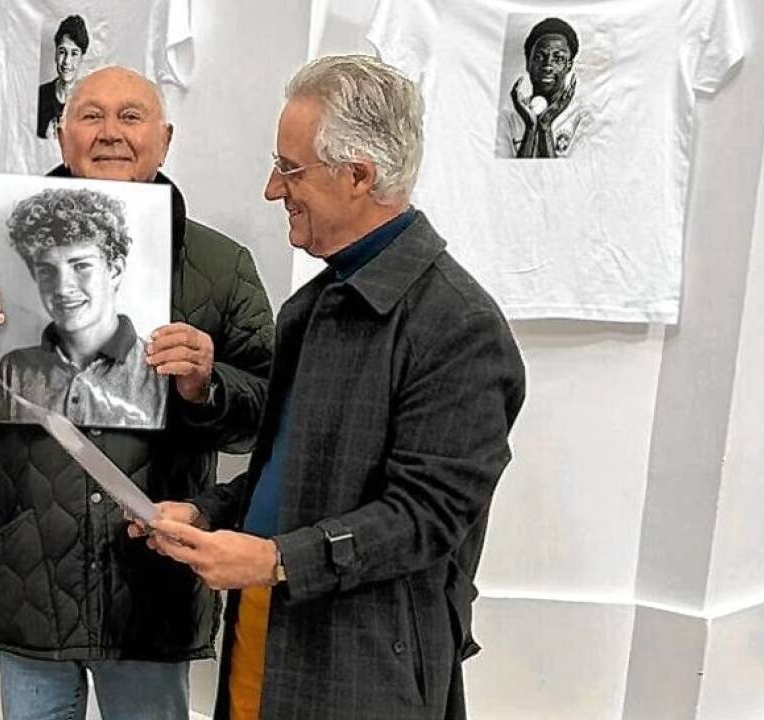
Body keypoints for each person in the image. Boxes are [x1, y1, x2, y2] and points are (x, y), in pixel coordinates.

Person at [140, 55, 526, 720]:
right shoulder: (312, 306)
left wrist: (274, 560)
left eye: (290, 169)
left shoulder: (459, 325)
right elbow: (289, 477)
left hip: (364, 672)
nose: (273, 189)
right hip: (263, 639)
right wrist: (207, 513)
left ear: (359, 176)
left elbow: (424, 518)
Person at [0, 66, 275, 720]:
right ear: (61, 134)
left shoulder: (222, 267)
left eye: (131, 117)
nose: (110, 133)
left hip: (153, 589)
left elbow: (263, 421)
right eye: (91, 115)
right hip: (30, 590)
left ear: (164, 139)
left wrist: (207, 385)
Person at [0, 186, 166, 428]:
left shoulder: (158, 373)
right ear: (33, 275)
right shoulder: (14, 371)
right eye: (47, 270)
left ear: (115, 270)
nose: (62, 288)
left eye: (81, 266)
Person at [501, 17, 590, 158]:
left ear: (569, 66)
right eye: (539, 57)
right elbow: (506, 170)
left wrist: (545, 126)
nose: (548, 66)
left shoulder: (582, 118)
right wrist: (530, 129)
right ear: (528, 63)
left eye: (558, 59)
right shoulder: (508, 118)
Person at [37, 15, 89, 139]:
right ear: (55, 54)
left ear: (82, 58)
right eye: (62, 51)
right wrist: (46, 140)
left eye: (74, 54)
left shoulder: (92, 102)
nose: (67, 61)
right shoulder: (40, 95)